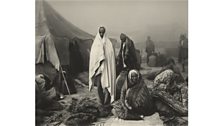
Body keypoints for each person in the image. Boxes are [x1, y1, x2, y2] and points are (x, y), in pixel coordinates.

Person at [89, 27, 116, 105]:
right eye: (100, 32)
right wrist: (97, 63)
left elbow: (110, 56)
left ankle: (106, 101)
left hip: (106, 68)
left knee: (107, 85)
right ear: (98, 32)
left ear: (105, 33)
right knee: (99, 86)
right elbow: (93, 57)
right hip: (98, 69)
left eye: (103, 32)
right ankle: (101, 101)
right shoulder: (95, 44)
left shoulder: (108, 43)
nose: (101, 34)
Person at [115, 33, 138, 100]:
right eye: (121, 39)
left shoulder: (129, 43)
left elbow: (131, 55)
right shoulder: (123, 43)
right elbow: (121, 53)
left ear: (125, 38)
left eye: (122, 39)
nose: (121, 40)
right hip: (124, 65)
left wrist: (130, 63)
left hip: (129, 64)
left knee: (130, 80)